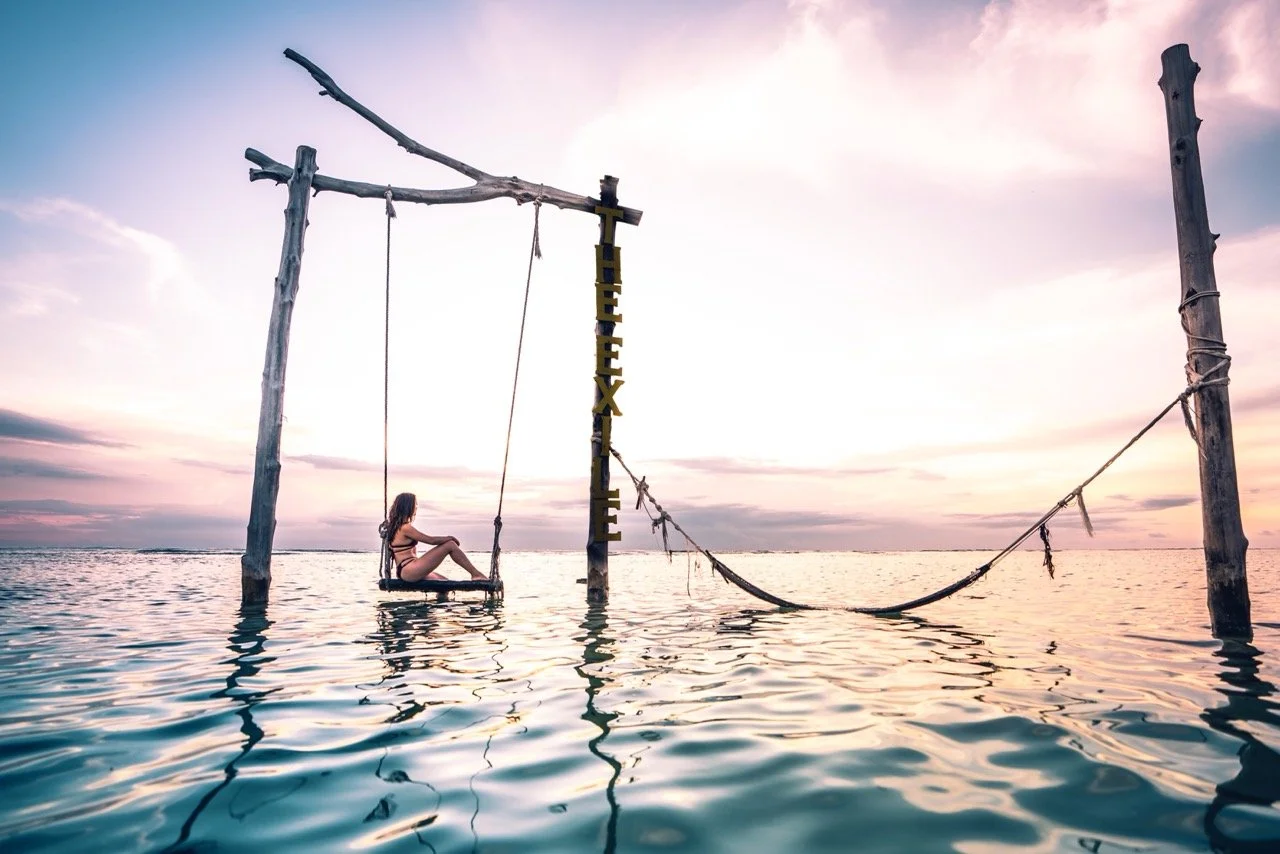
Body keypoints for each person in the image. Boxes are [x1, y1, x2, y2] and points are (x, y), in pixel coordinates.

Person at [380, 492, 488, 582]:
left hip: (406, 570)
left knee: (445, 582)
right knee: (450, 545)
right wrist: (449, 538)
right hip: (409, 569)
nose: (416, 508)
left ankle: (440, 604)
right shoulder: (405, 528)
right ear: (408, 507)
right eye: (415, 505)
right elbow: (430, 540)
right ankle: (476, 574)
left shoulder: (395, 527)